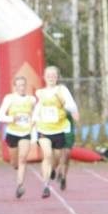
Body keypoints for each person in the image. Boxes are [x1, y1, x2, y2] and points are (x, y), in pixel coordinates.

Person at [32, 66, 78, 198]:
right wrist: (34, 120)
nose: (51, 77)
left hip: (58, 130)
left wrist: (63, 102)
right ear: (44, 76)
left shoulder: (62, 90)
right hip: (43, 129)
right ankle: (46, 185)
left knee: (56, 160)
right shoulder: (40, 92)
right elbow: (38, 108)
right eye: (48, 75)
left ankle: (52, 169)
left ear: (57, 77)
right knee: (47, 155)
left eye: (54, 75)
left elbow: (73, 107)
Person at [0, 76, 37, 198]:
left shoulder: (32, 100)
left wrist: (34, 135)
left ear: (26, 86)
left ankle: (20, 185)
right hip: (12, 133)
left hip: (26, 132)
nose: (21, 87)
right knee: (14, 162)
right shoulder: (9, 98)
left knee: (22, 159)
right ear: (14, 87)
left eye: (23, 85)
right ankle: (15, 166)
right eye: (19, 85)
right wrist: (11, 118)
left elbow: (35, 119)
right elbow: (0, 116)